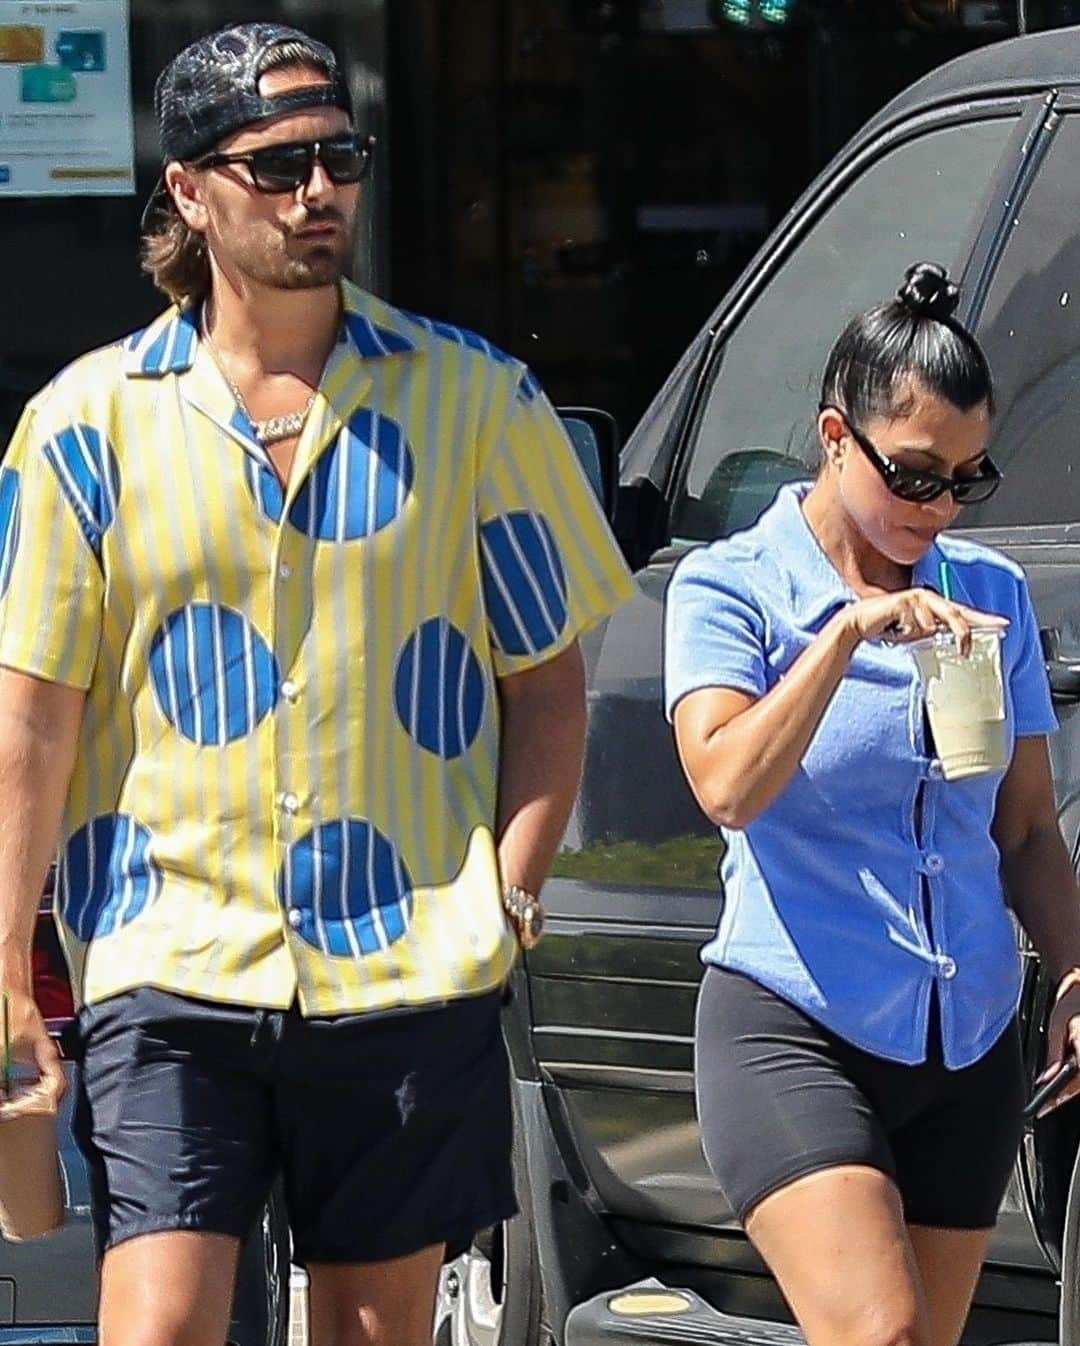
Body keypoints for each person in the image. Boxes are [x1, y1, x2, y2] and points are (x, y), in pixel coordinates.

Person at [0, 21, 633, 1346]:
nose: (318, 191)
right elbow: (34, 721)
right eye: (278, 163)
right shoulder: (82, 425)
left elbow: (549, 683)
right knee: (159, 1320)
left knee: (373, 1330)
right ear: (187, 189)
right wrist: (6, 955)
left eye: (340, 156)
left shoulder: (479, 403)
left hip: (405, 957)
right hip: (165, 953)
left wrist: (507, 897)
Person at [663, 262, 1080, 1346]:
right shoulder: (732, 586)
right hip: (794, 1024)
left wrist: (1078, 971)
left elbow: (1026, 825)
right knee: (878, 1333)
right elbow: (726, 784)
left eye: (966, 480)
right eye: (914, 473)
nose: (937, 507)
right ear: (835, 435)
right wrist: (844, 635)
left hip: (966, 1039)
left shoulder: (990, 593)